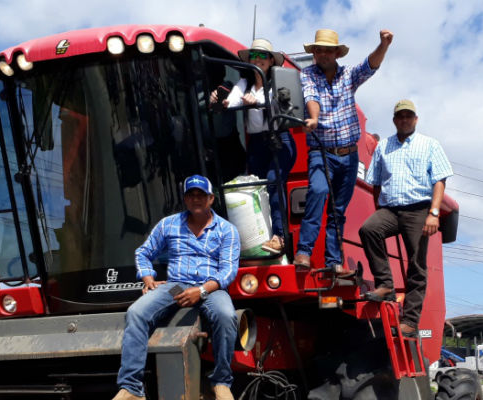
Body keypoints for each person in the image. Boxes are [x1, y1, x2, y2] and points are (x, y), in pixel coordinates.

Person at [112, 175, 240, 400]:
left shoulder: (227, 230)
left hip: (212, 287)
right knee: (136, 312)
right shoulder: (169, 224)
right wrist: (148, 277)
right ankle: (131, 388)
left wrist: (201, 291)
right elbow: (143, 252)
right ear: (185, 199)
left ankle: (221, 382)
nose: (196, 199)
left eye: (201, 195)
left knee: (226, 315)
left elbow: (228, 271)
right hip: (176, 286)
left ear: (211, 199)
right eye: (191, 195)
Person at [294, 28, 393, 273]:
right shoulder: (307, 74)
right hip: (321, 150)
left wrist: (383, 45)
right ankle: (304, 252)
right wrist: (314, 118)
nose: (323, 54)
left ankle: (334, 262)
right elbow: (311, 96)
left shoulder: (348, 75)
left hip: (349, 156)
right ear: (314, 53)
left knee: (338, 210)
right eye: (318, 50)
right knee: (317, 191)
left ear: (337, 53)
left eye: (328, 50)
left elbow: (370, 66)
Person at [358, 100, 453, 336]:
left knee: (416, 265)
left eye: (409, 116)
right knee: (368, 229)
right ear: (394, 120)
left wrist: (433, 213)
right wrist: (379, 208)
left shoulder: (429, 144)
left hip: (419, 209)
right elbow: (376, 183)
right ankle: (385, 284)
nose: (404, 120)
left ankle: (410, 322)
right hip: (390, 209)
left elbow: (439, 180)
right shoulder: (383, 147)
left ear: (416, 119)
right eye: (400, 116)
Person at [211, 38, 297, 255]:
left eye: (261, 56)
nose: (257, 60)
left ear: (270, 60)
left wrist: (258, 103)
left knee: (273, 184)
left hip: (279, 140)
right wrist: (220, 99)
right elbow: (232, 102)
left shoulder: (278, 81)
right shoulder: (244, 83)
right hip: (257, 143)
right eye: (254, 56)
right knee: (255, 190)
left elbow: (286, 106)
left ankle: (279, 236)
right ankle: (259, 239)